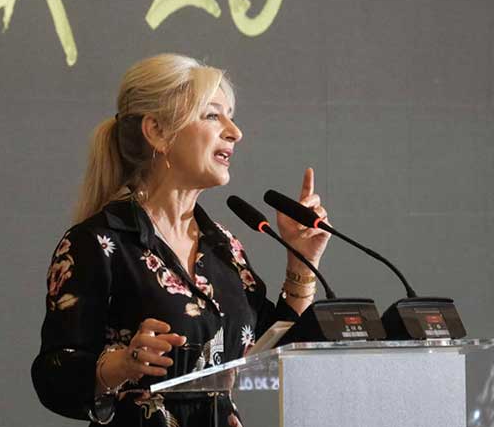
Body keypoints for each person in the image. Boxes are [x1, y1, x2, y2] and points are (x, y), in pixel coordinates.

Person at [31, 53, 331, 426]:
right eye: (212, 115)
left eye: (231, 116)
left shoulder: (224, 247)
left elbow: (269, 360)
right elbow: (54, 377)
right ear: (157, 131)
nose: (235, 132)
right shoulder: (97, 243)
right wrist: (121, 365)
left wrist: (301, 262)